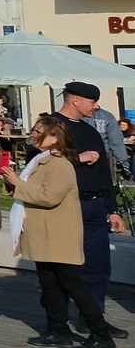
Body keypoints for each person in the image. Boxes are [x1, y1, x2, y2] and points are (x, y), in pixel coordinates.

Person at [3, 115, 118, 348]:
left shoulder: (60, 164)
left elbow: (49, 196)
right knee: (50, 284)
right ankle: (58, 330)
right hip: (44, 234)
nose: (33, 134)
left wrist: (17, 183)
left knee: (73, 284)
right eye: (34, 130)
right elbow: (32, 189)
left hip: (57, 234)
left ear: (54, 138)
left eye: (38, 132)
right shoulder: (42, 159)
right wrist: (11, 180)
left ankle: (101, 334)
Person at [53, 82, 130, 325]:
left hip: (95, 206)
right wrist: (76, 158)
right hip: (66, 205)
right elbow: (38, 162)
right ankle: (58, 322)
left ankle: (94, 319)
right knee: (64, 267)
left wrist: (113, 210)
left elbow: (103, 174)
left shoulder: (92, 130)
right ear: (75, 100)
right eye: (91, 102)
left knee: (98, 266)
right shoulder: (51, 126)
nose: (96, 107)